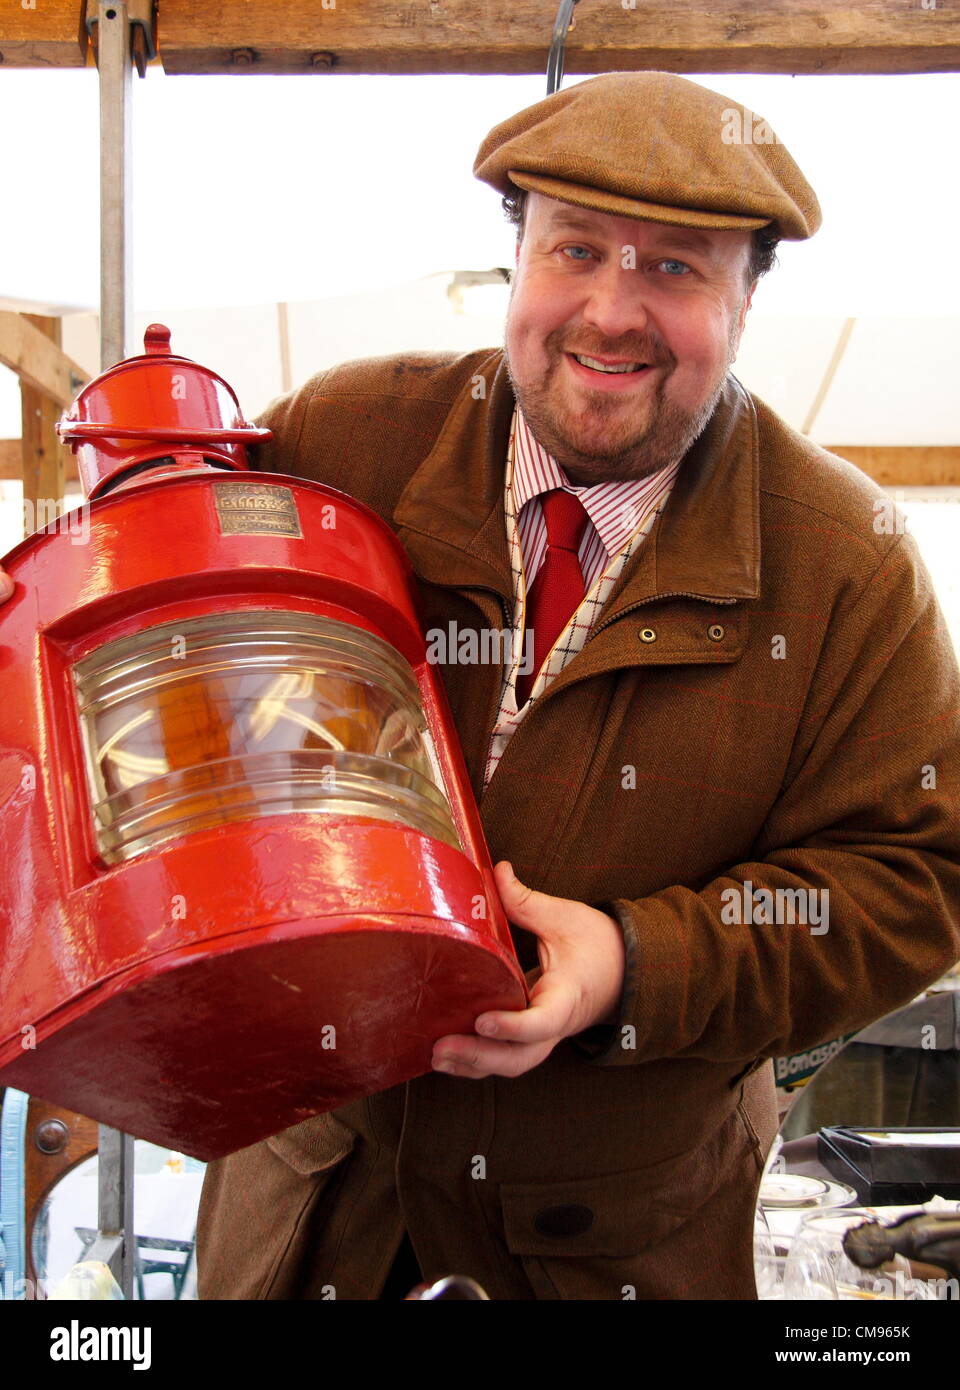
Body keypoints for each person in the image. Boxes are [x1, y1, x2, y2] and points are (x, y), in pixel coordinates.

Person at [6, 72, 959, 1301]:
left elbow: (913, 884)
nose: (610, 313)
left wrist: (632, 964)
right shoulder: (348, 438)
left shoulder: (846, 562)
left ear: (748, 295)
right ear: (516, 257)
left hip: (610, 1243)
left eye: (675, 269)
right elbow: (164, 645)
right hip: (313, 1218)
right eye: (573, 249)